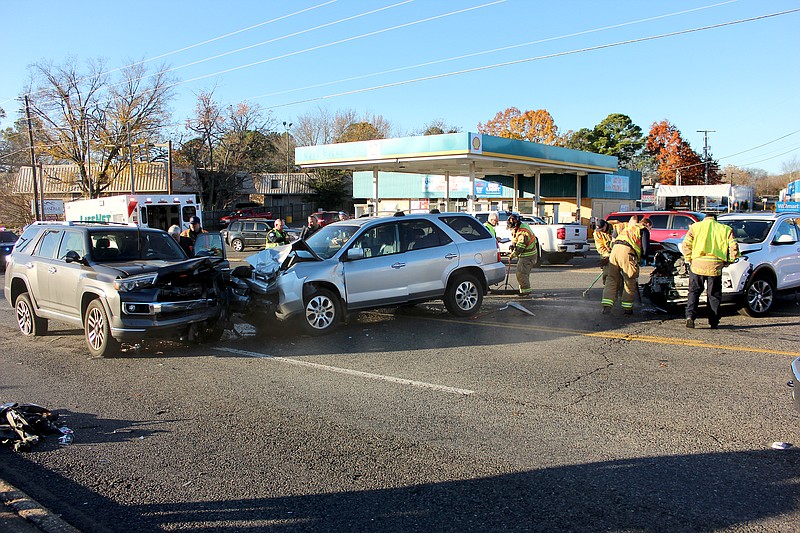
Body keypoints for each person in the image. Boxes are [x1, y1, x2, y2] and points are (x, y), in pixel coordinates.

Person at [681, 213, 739, 329]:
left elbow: (686, 244)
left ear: (705, 218)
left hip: (697, 264)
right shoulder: (725, 229)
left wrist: (689, 258)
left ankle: (690, 317)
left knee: (694, 292)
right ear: (715, 219)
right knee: (714, 294)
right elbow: (734, 247)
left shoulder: (695, 227)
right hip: (715, 266)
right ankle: (713, 321)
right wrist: (729, 260)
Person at [601, 217, 651, 315]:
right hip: (627, 252)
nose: (650, 230)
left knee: (612, 278)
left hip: (615, 251)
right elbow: (645, 248)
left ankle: (607, 306)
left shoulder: (627, 228)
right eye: (651, 228)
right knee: (629, 279)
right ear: (647, 225)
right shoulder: (642, 229)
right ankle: (627, 308)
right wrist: (644, 258)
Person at [507, 213, 538, 297]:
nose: (512, 228)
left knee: (521, 273)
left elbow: (520, 247)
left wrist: (512, 255)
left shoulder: (523, 232)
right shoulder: (520, 227)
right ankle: (523, 290)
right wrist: (513, 245)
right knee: (522, 273)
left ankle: (525, 291)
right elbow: (515, 237)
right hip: (527, 255)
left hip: (528, 255)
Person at [593, 219, 613, 284]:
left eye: (602, 229)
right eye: (599, 229)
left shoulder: (615, 227)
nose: (601, 231)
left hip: (618, 252)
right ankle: (608, 286)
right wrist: (608, 255)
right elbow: (600, 247)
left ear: (605, 225)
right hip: (606, 254)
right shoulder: (597, 233)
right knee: (607, 273)